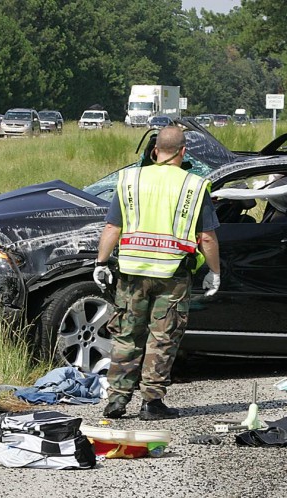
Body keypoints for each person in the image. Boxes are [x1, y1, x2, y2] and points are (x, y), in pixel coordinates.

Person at [93, 125, 221, 421]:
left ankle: (116, 400)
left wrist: (101, 262)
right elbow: (207, 237)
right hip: (172, 274)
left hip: (131, 273)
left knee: (127, 336)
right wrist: (214, 271)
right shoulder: (193, 185)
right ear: (183, 152)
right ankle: (151, 402)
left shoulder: (129, 180)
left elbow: (113, 227)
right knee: (161, 338)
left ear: (154, 150)